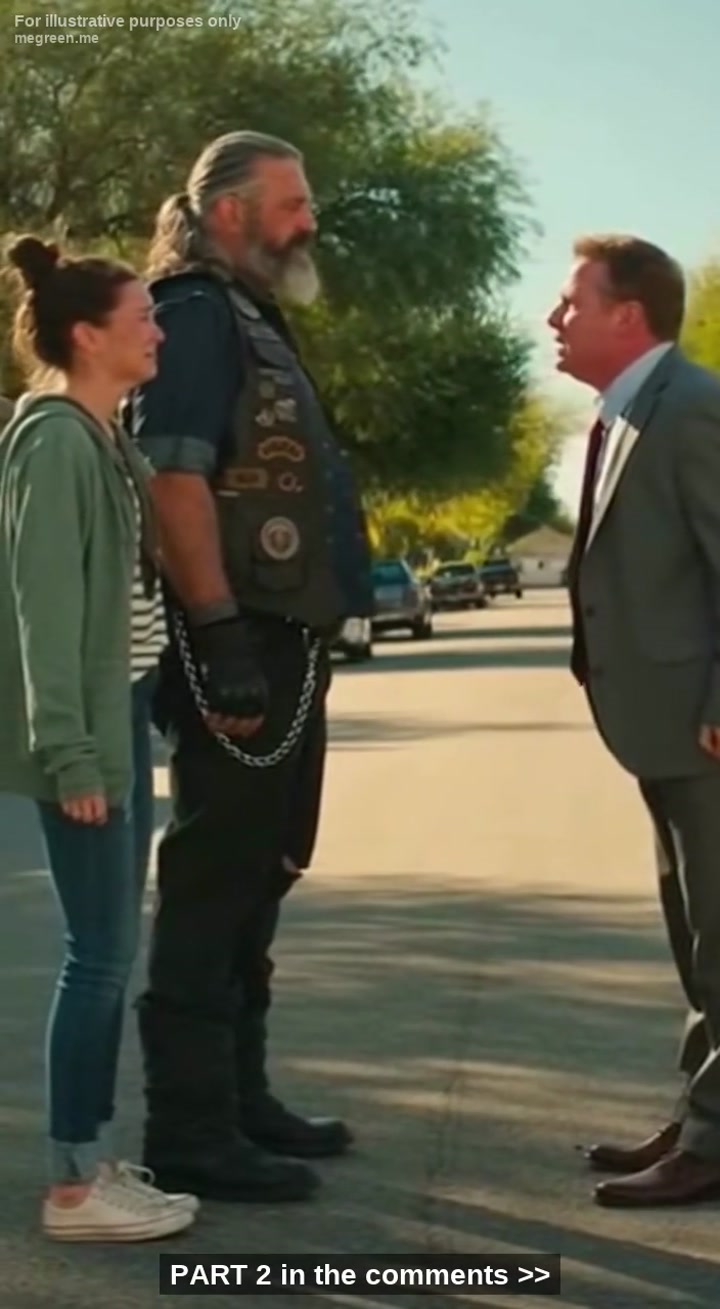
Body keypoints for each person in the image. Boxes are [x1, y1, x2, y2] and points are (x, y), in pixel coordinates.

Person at [124, 130, 374, 1203]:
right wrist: (220, 631)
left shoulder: (245, 313)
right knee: (212, 881)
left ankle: (240, 1098)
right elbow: (172, 481)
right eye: (292, 201)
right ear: (229, 211)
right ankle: (188, 1130)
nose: (309, 220)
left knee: (262, 871)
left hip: (285, 640)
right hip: (233, 640)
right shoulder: (191, 313)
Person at [0, 235, 197, 1241]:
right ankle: (75, 1186)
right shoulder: (54, 443)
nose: (158, 331)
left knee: (112, 952)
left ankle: (96, 1161)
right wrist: (71, 753)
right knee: (99, 955)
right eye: (143, 317)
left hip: (119, 713)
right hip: (86, 731)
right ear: (87, 335)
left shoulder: (102, 437)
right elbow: (42, 612)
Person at [552, 233, 720, 1209]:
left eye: (571, 301)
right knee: (697, 930)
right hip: (659, 723)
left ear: (628, 314)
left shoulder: (693, 409)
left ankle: (714, 1140)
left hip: (702, 725)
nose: (554, 318)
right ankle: (702, 1112)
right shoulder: (628, 411)